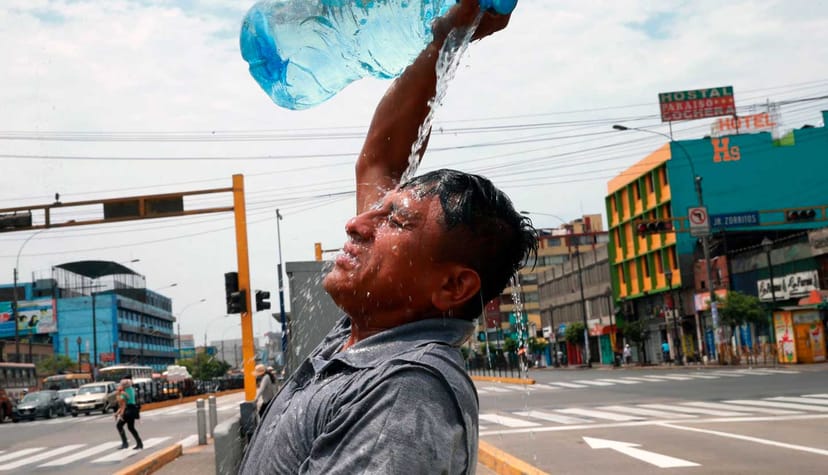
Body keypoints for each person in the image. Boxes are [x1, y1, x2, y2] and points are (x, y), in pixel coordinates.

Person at [239, 2, 533, 474]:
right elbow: (380, 160)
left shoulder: (404, 393)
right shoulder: (367, 334)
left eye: (394, 222)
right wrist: (446, 39)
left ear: (453, 287)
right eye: (378, 211)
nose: (357, 224)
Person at [115, 378, 143, 450]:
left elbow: (122, 403)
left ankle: (125, 443)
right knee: (131, 427)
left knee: (119, 425)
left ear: (124, 385)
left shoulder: (124, 392)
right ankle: (139, 443)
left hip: (128, 411)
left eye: (121, 385)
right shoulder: (131, 389)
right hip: (132, 410)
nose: (120, 386)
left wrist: (118, 393)